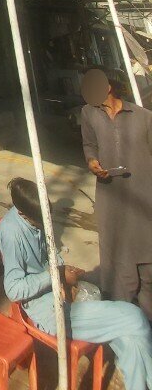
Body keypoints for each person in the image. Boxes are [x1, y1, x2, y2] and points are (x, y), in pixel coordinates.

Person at [0, 177, 152, 390]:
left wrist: (64, 269)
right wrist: (56, 275)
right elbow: (13, 289)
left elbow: (51, 251)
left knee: (130, 340)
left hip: (61, 294)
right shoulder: (12, 233)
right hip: (50, 312)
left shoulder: (35, 218)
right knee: (135, 318)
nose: (45, 225)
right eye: (40, 221)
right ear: (23, 213)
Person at [80, 67, 152, 319]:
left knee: (147, 266)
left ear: (108, 87)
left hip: (143, 202)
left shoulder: (143, 117)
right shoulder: (88, 114)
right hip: (111, 202)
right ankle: (125, 327)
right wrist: (92, 161)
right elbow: (89, 144)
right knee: (119, 266)